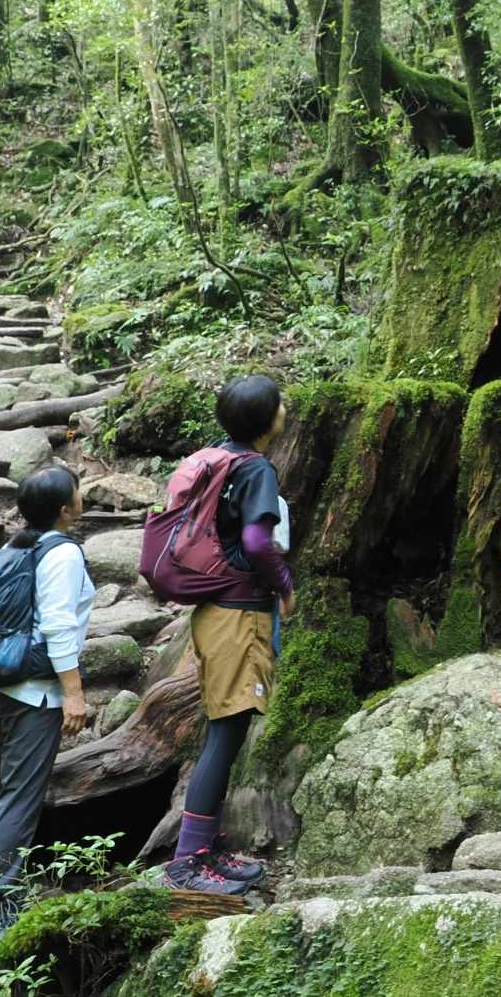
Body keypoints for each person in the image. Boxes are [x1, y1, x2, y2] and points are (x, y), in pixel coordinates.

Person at [162, 373, 295, 894]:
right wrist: (284, 586)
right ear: (268, 421)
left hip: (218, 609)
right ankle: (188, 861)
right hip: (239, 614)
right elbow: (259, 541)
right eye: (279, 402)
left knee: (228, 729)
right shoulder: (256, 468)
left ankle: (206, 849)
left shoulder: (220, 457)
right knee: (226, 731)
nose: (285, 407)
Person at [0, 466, 93, 950]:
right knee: (20, 796)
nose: (83, 495)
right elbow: (57, 626)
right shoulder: (63, 552)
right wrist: (73, 693)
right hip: (36, 692)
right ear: (64, 508)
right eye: (78, 491)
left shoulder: (15, 545)